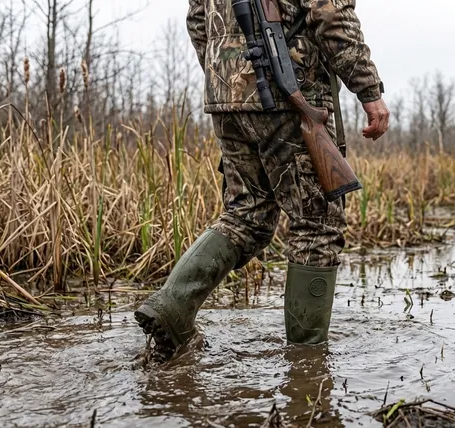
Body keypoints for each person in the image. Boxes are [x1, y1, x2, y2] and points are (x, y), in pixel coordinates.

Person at [134, 0, 390, 360]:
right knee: (317, 222)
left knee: (247, 214)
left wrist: (229, 74)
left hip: (225, 98)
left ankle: (171, 308)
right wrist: (370, 91)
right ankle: (307, 361)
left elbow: (197, 21)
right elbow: (331, 15)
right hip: (288, 95)